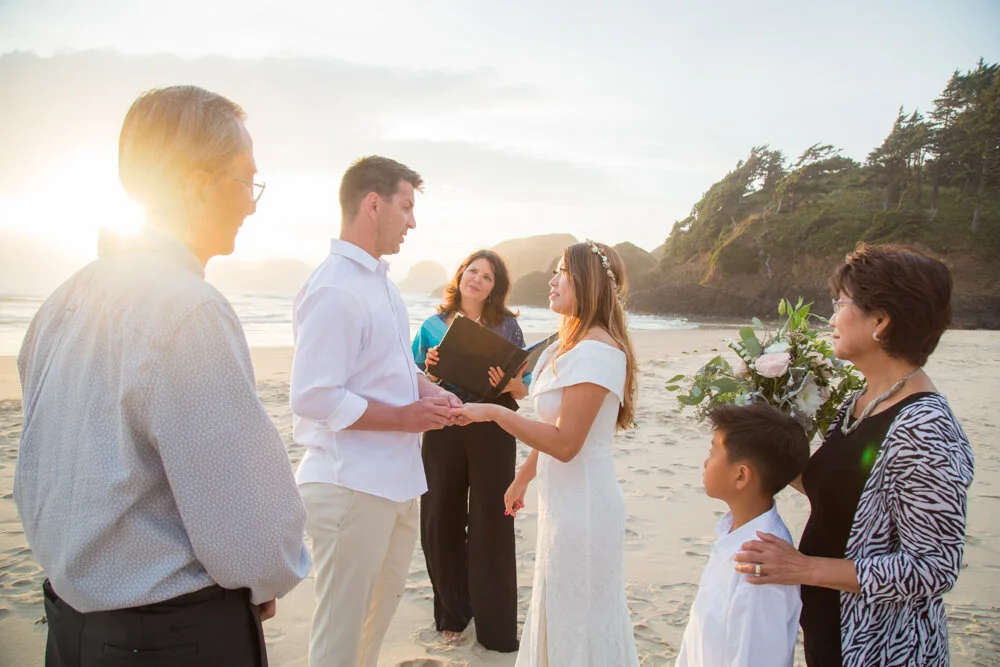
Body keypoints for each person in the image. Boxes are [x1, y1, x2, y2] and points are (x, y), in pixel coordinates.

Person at [13, 85, 310, 667]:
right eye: (245, 182)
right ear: (199, 185)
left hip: (71, 627)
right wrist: (266, 573)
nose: (252, 204)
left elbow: (42, 474)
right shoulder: (188, 308)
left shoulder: (61, 301)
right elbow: (243, 510)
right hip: (170, 638)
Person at [734, 243, 975, 667]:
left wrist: (804, 568)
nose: (831, 318)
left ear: (880, 321)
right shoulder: (863, 401)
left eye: (841, 303)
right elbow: (832, 489)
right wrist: (762, 433)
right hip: (832, 633)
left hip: (884, 647)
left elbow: (933, 567)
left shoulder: (925, 428)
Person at [290, 156, 464, 667]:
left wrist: (428, 391)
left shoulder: (382, 285)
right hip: (350, 485)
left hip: (396, 481)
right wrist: (406, 418)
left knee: (371, 630)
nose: (413, 221)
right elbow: (315, 396)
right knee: (339, 637)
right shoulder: (334, 287)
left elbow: (389, 369)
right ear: (373, 204)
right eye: (406, 207)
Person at [454, 240, 641, 666]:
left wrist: (493, 415)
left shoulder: (599, 350)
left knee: (581, 619)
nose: (552, 281)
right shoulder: (565, 346)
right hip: (562, 503)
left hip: (587, 508)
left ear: (589, 283)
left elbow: (567, 443)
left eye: (562, 272)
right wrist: (524, 476)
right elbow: (554, 429)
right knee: (558, 608)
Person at [411, 250, 526, 652]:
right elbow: (413, 379)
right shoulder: (429, 326)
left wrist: (505, 381)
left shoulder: (508, 326)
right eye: (472, 271)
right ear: (461, 276)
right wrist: (431, 369)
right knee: (440, 520)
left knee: (492, 524)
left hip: (493, 427)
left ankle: (496, 629)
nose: (477, 279)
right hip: (444, 427)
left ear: (496, 288)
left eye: (488, 276)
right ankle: (453, 614)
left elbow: (523, 388)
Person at [676, 403, 810, 667]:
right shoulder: (733, 533)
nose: (705, 462)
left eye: (712, 451)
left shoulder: (761, 562)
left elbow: (754, 657)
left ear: (741, 475)